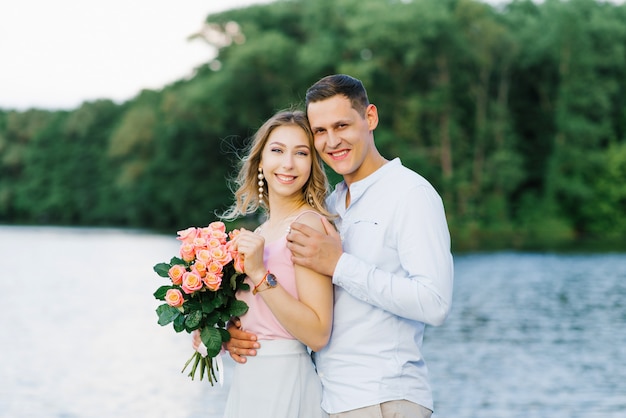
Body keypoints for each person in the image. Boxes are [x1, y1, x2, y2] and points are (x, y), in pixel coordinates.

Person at [226, 74, 454, 418]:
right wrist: (232, 332)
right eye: (320, 131)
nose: (332, 141)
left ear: (370, 118)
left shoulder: (410, 194)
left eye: (342, 125)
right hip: (331, 397)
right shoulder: (332, 206)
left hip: (386, 397)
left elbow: (435, 303)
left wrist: (340, 265)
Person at [193, 109, 334, 418]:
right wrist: (224, 333)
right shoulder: (260, 232)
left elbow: (318, 333)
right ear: (260, 162)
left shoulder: (307, 225)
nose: (288, 163)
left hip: (285, 378)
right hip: (249, 381)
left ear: (313, 164)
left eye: (301, 153)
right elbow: (259, 317)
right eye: (277, 150)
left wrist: (258, 273)